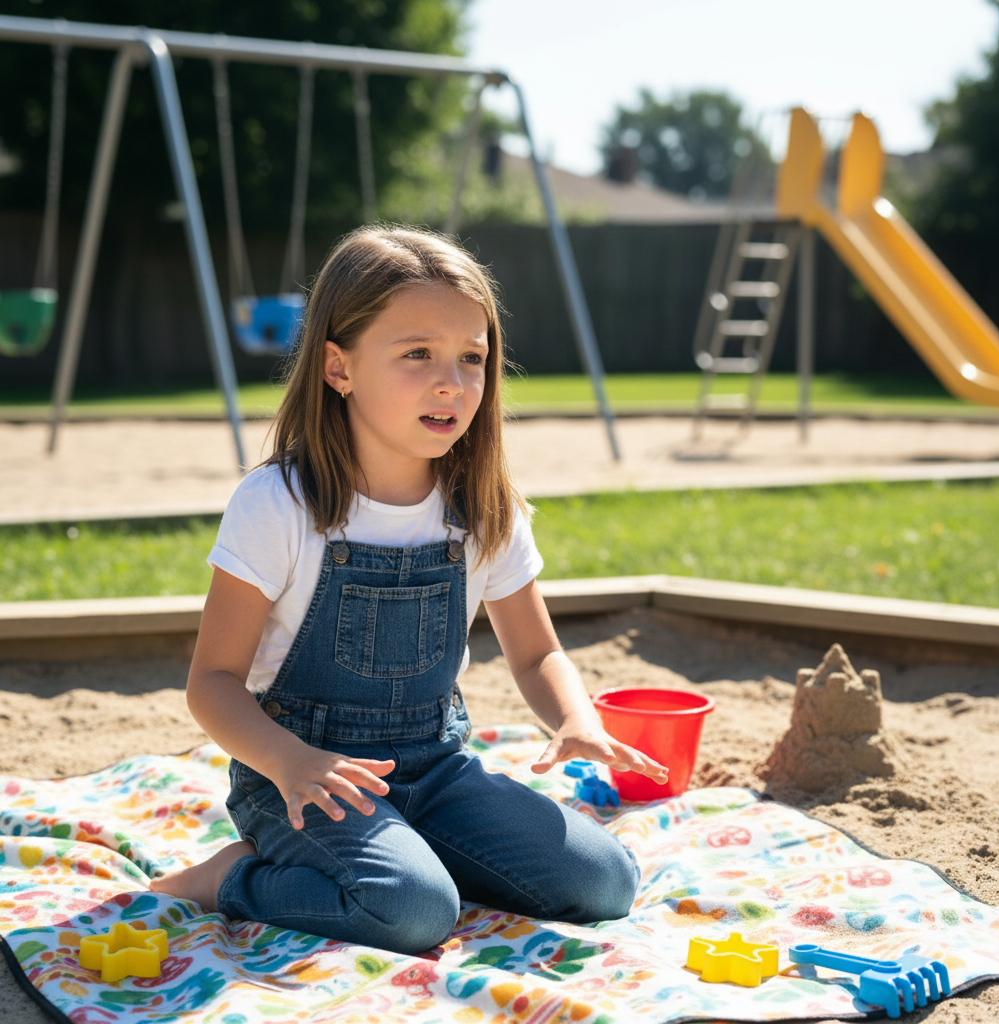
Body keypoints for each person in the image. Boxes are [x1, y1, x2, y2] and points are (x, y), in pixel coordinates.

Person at [152, 226, 668, 954]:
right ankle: (229, 877)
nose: (451, 382)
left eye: (471, 358)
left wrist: (574, 717)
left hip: (438, 770)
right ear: (338, 367)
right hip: (302, 781)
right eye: (417, 353)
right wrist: (290, 762)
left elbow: (536, 655)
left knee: (605, 881)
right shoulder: (278, 504)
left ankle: (411, 850)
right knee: (414, 913)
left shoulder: (485, 506)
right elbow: (212, 683)